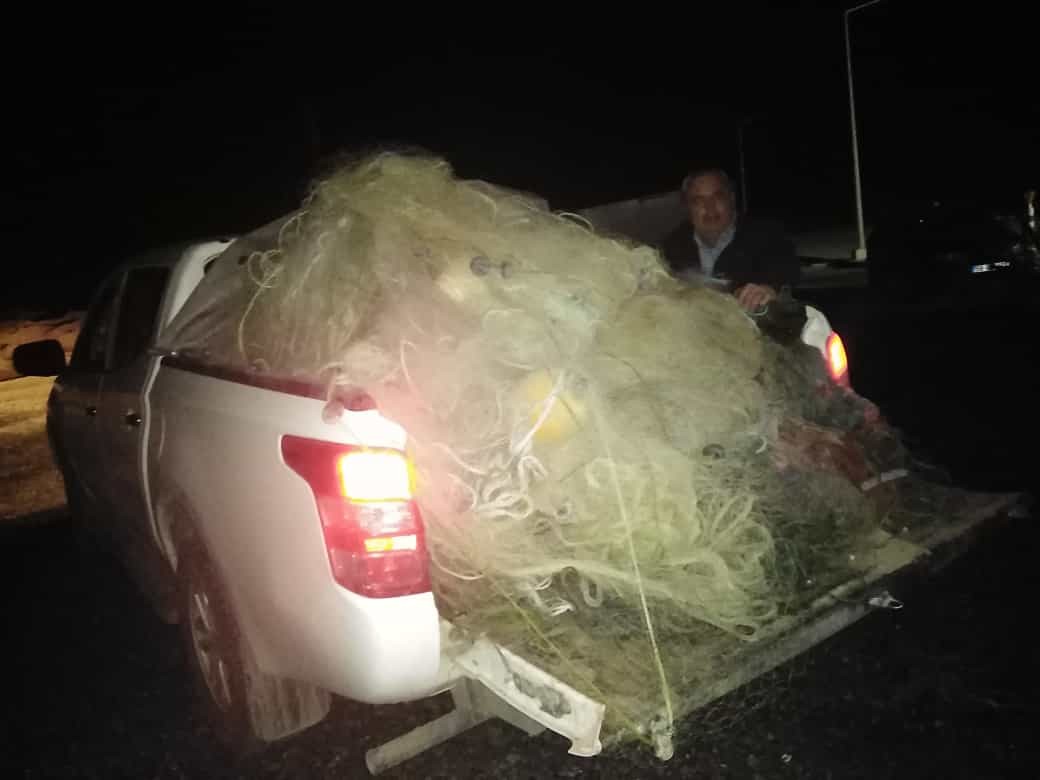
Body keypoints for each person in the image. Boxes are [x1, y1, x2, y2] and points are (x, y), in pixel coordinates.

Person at [659, 167, 801, 312]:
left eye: (717, 197)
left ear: (731, 198)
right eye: (698, 200)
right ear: (688, 208)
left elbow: (787, 272)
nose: (710, 208)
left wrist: (769, 289)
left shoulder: (767, 235)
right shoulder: (671, 246)